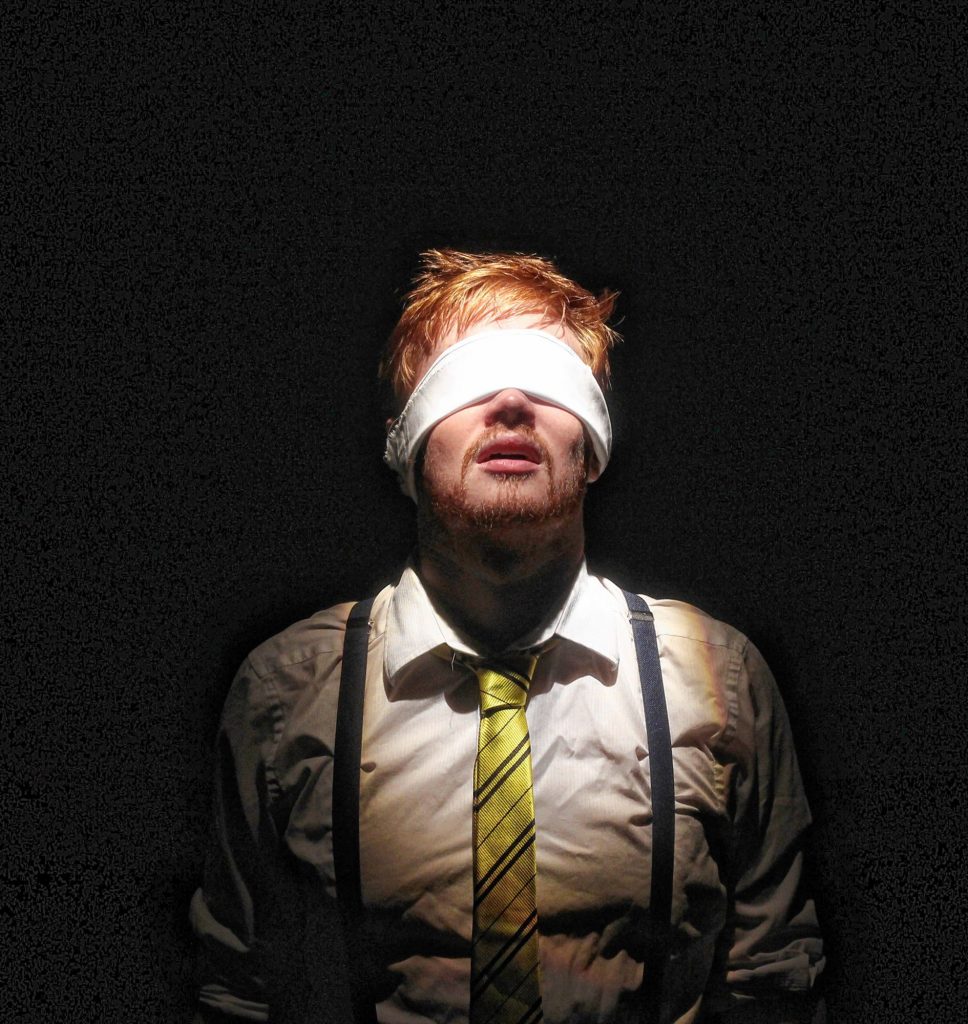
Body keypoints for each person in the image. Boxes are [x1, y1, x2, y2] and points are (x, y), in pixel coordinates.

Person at [191, 250, 825, 1024]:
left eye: (551, 382)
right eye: (466, 380)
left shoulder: (719, 680)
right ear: (402, 441)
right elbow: (238, 986)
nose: (514, 402)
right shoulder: (286, 692)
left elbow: (773, 980)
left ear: (593, 446)